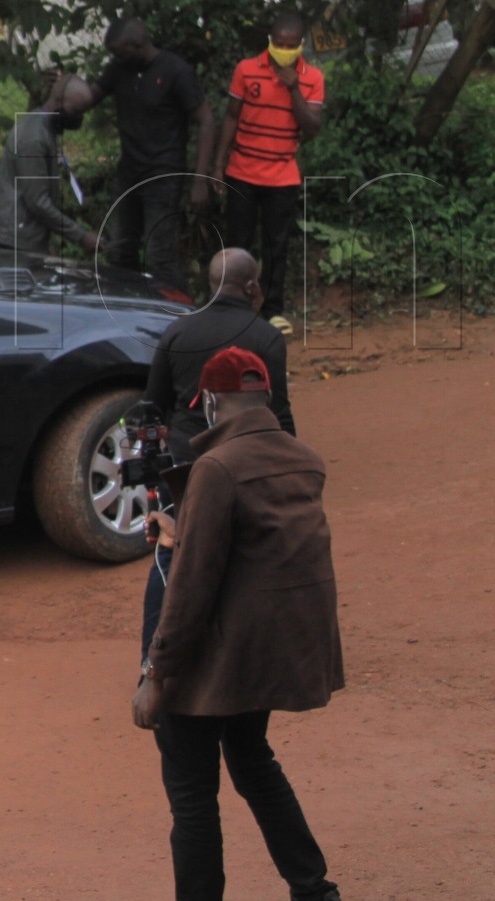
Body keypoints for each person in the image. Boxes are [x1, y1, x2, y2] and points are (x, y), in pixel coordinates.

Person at [134, 345, 343, 901]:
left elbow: (192, 586)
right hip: (269, 656)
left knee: (192, 790)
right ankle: (313, 887)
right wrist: (187, 531)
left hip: (216, 657)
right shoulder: (304, 458)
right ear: (266, 398)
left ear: (209, 403)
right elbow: (259, 549)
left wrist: (157, 672)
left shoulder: (217, 468)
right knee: (251, 758)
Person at [137, 247, 295, 659]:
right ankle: (252, 648)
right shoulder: (266, 337)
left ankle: (152, 655)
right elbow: (279, 412)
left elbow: (152, 405)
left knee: (173, 554)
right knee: (251, 551)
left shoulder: (178, 332)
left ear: (209, 285)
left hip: (187, 464)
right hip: (250, 462)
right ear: (252, 287)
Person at [73, 18, 217, 294]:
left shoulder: (175, 71)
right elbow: (91, 97)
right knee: (120, 248)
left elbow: (206, 120)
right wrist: (65, 88)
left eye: (120, 53)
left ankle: (180, 314)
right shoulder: (119, 68)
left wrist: (200, 178)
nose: (116, 59)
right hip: (129, 172)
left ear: (138, 46)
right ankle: (126, 305)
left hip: (164, 175)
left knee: (158, 253)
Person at [212, 14, 325, 336]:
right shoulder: (246, 70)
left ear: (301, 46)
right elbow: (231, 117)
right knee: (238, 245)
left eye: (291, 46)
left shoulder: (312, 77)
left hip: (282, 175)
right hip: (242, 171)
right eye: (279, 44)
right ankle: (232, 309)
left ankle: (273, 310)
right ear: (269, 41)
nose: (284, 50)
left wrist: (294, 91)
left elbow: (312, 127)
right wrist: (218, 164)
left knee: (276, 247)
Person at [0, 72, 102, 257]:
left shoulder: (44, 126)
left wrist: (43, 240)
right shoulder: (34, 138)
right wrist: (80, 236)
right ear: (59, 101)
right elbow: (37, 201)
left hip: (21, 235)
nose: (78, 119)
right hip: (12, 239)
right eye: (75, 112)